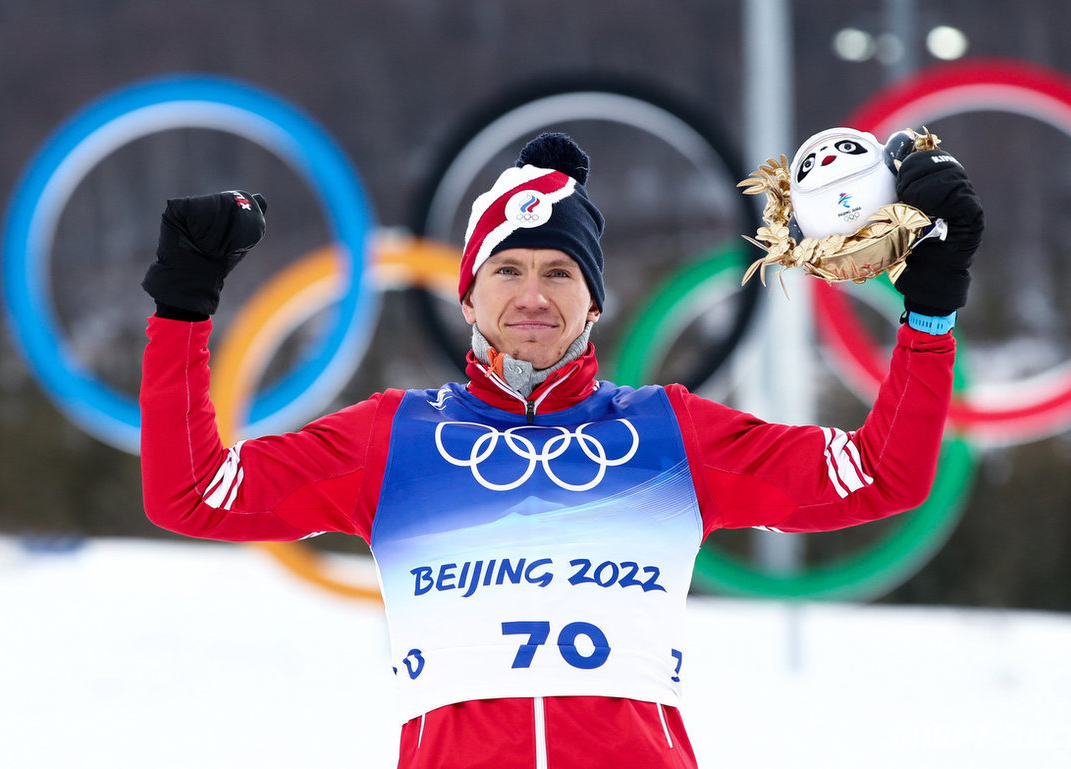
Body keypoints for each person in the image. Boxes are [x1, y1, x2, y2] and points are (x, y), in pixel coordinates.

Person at [140, 132, 983, 769]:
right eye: (506, 271)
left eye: (560, 272)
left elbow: (883, 475)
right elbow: (192, 493)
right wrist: (183, 307)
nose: (533, 294)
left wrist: (930, 312)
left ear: (595, 303)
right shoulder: (393, 437)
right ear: (467, 297)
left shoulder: (670, 433)